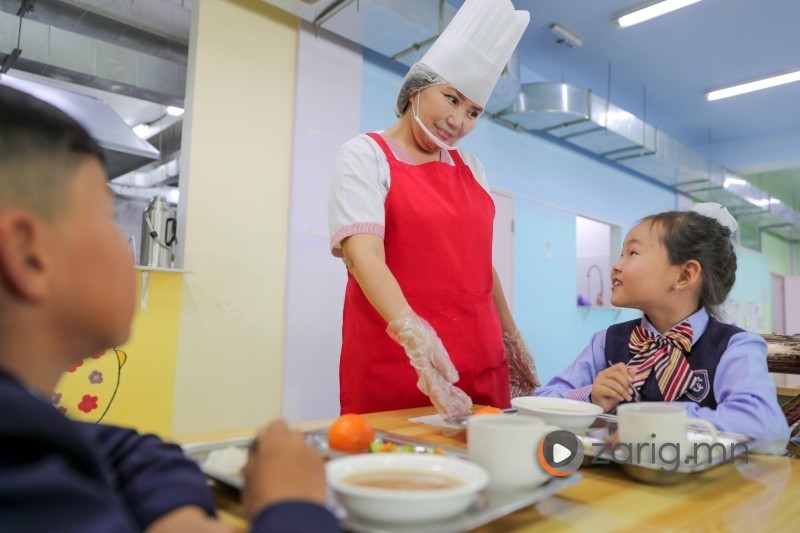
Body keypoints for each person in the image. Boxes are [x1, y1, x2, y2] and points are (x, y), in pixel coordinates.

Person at [0, 85, 339, 532]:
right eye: (106, 215)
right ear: (28, 255)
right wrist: (292, 505)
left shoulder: (26, 437)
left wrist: (177, 517)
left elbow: (127, 449)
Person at [328, 0, 539, 420]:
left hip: (481, 361)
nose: (459, 121)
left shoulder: (472, 168)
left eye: (473, 112)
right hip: (400, 363)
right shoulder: (366, 155)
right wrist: (414, 335)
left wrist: (511, 336)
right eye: (451, 98)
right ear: (417, 88)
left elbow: (481, 265)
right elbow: (362, 255)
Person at [535, 203, 790, 452]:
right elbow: (539, 403)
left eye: (632, 253)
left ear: (684, 275)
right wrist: (590, 397)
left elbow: (764, 425)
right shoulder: (605, 342)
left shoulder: (734, 347)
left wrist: (657, 416)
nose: (616, 265)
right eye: (621, 254)